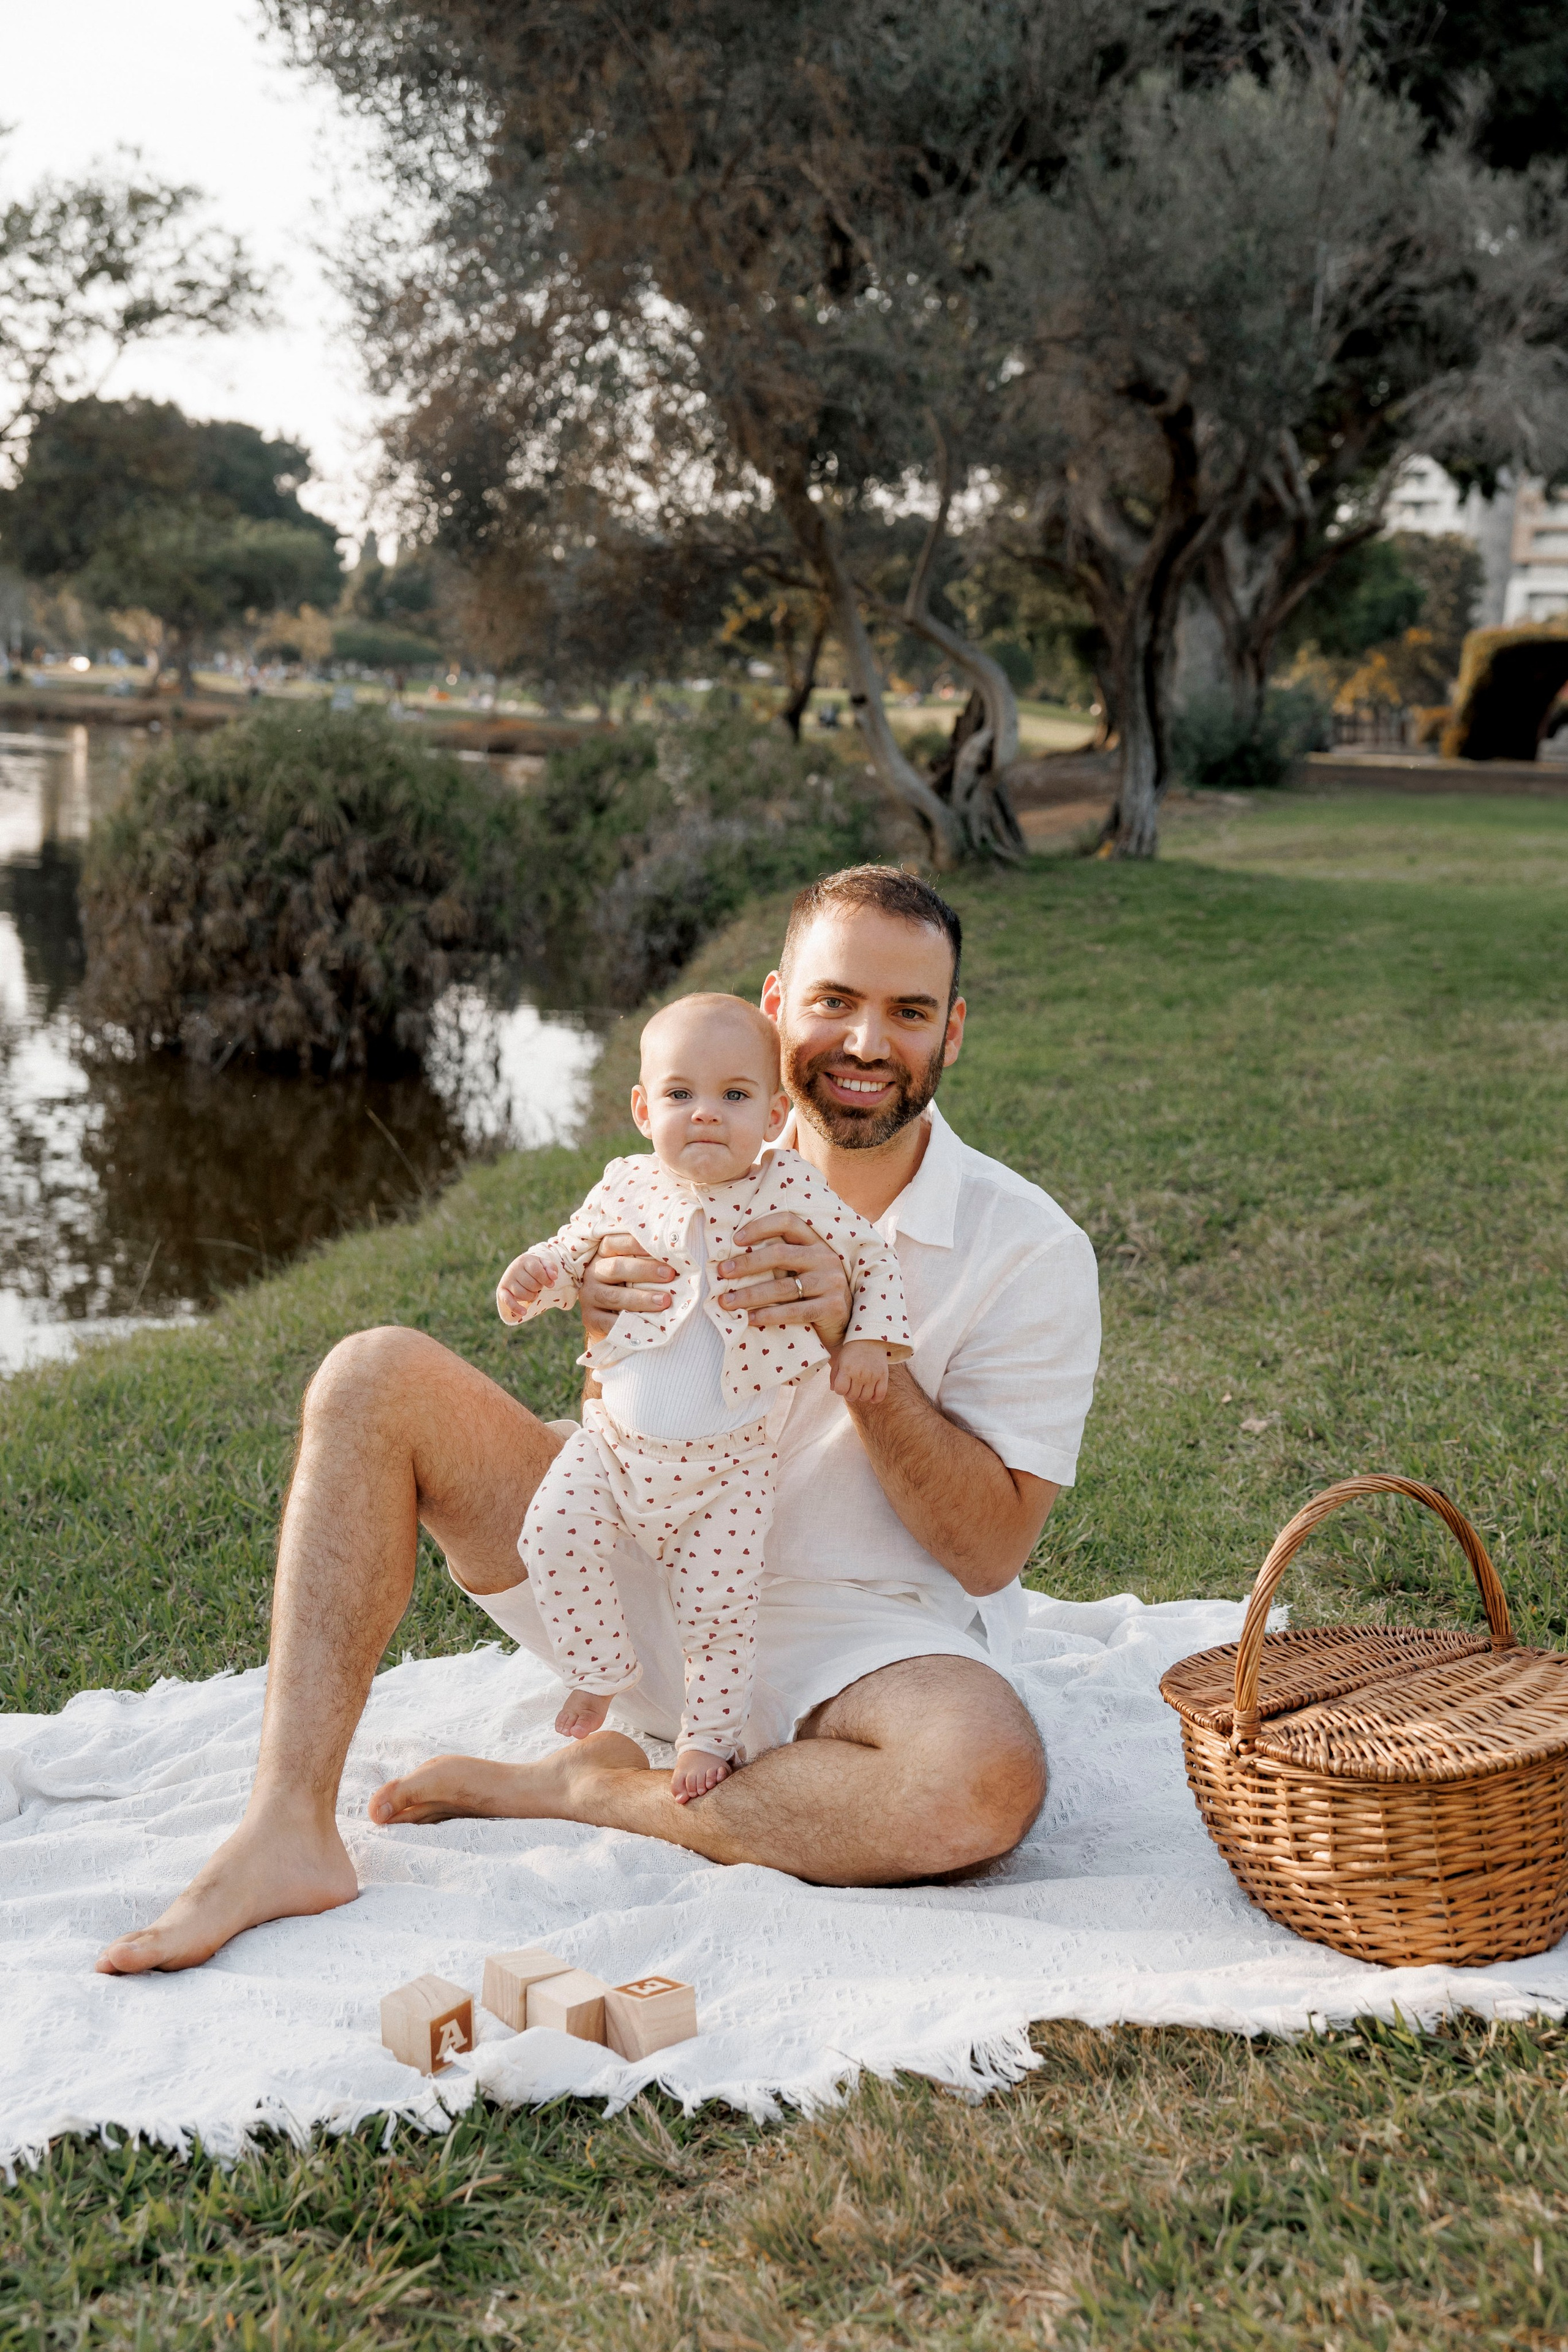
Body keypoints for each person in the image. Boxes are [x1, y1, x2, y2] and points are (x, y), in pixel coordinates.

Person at [96, 865, 1101, 1975]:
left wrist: (861, 1352)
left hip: (858, 1646)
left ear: (950, 1033)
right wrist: (601, 1343)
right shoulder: (689, 1149)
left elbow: (992, 1550)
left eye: (908, 1013)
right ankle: (287, 1827)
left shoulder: (1032, 1248)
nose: (867, 1041)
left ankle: (600, 1790)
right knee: (370, 1373)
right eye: (834, 1003)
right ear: (776, 1013)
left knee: (982, 1778)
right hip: (644, 1567)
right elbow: (623, 1399)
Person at [499, 989, 910, 1801]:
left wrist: (867, 1339)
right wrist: (538, 1277)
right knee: (549, 1535)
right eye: (681, 1095)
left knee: (718, 1611)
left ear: (773, 1115)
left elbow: (871, 1257)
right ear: (644, 1108)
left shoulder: (788, 1189)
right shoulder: (623, 1186)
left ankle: (708, 1737)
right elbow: (571, 1254)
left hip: (729, 1470)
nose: (707, 1116)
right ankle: (599, 1667)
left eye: (734, 1095)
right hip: (612, 1445)